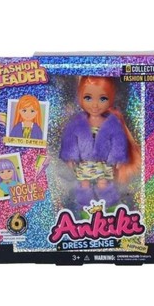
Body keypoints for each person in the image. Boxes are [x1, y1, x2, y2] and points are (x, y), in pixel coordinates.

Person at [60, 76, 140, 207]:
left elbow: (118, 141)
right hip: (84, 162)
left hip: (103, 162)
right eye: (88, 98)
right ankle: (85, 207)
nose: (95, 105)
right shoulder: (77, 122)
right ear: (80, 97)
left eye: (103, 98)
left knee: (103, 183)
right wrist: (70, 157)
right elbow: (70, 140)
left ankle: (109, 206)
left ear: (111, 99)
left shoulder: (112, 122)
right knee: (84, 183)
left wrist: (117, 158)